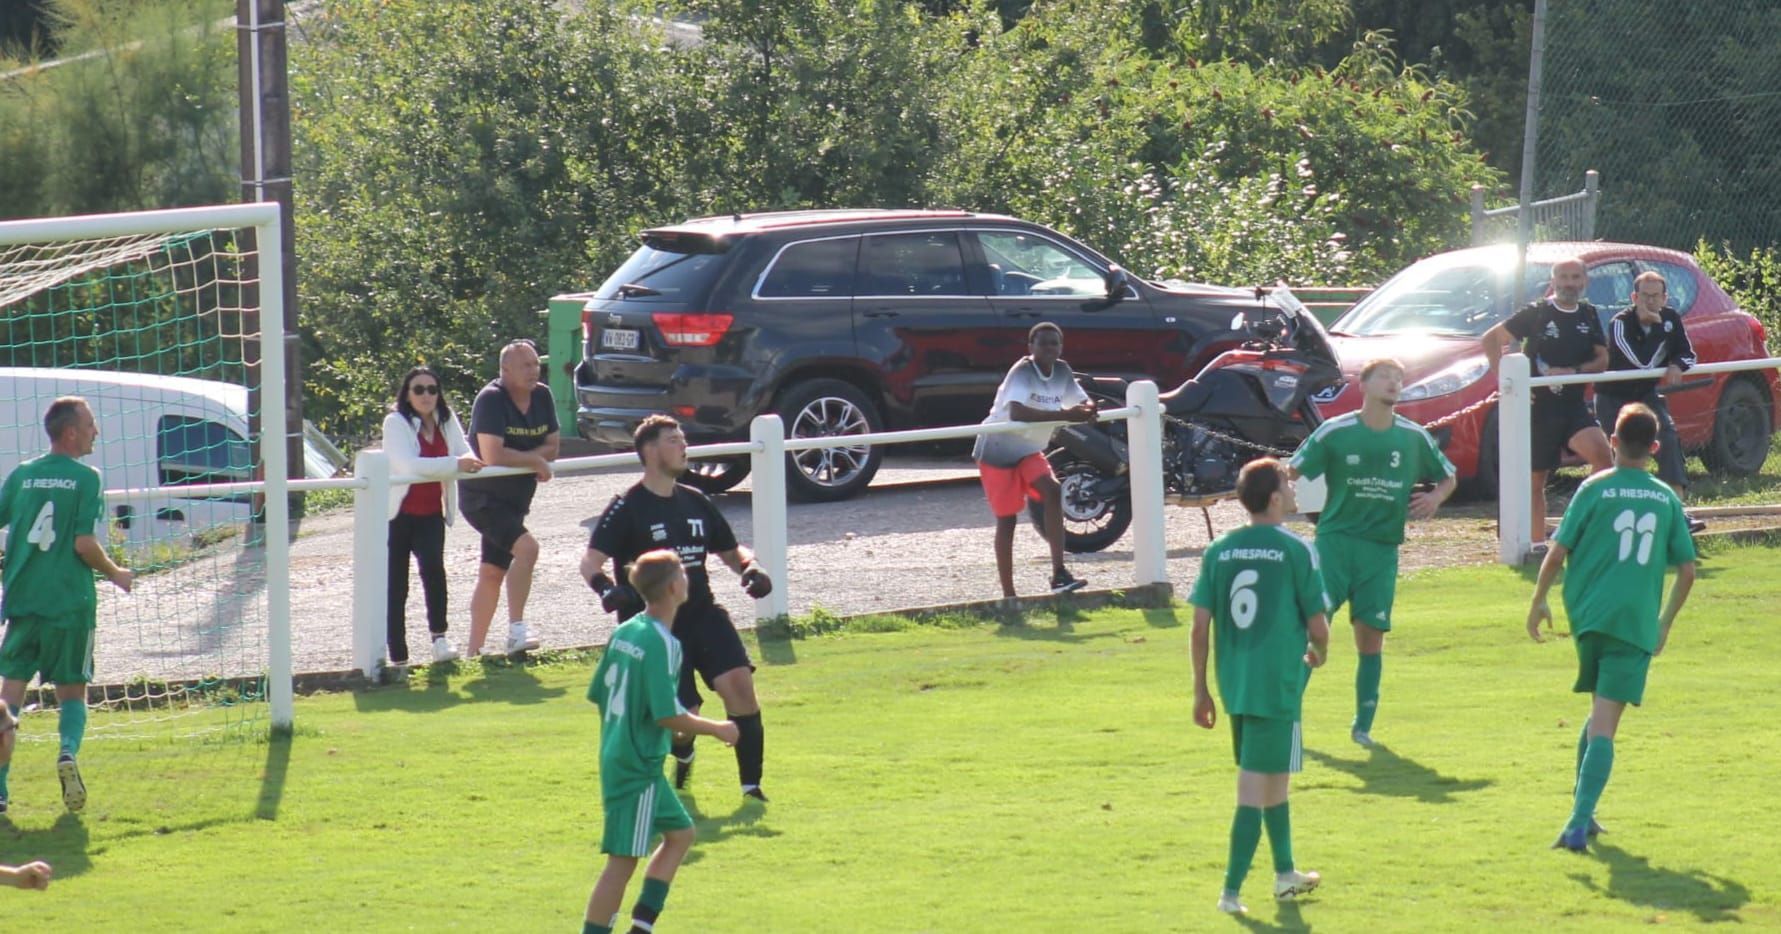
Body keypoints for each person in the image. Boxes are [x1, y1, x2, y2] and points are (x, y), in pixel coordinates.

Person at [1526, 403, 1696, 852]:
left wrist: (1538, 599)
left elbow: (1557, 551)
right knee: (1606, 723)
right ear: (1655, 448)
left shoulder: (1593, 488)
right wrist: (1663, 624)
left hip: (1589, 619)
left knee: (1598, 710)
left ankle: (1587, 812)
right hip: (1632, 622)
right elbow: (1687, 569)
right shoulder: (1665, 497)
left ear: (1613, 442)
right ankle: (1578, 824)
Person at [582, 416, 774, 800]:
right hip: (659, 626)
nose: (684, 446)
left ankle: (751, 788)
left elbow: (730, 550)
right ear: (650, 451)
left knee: (739, 686)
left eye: (683, 439)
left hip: (702, 612)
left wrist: (751, 568)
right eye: (674, 440)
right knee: (683, 717)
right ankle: (683, 754)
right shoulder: (626, 507)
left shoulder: (696, 500)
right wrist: (607, 590)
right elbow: (591, 562)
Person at [1287, 358, 1457, 747]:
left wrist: (1434, 497)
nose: (1393, 383)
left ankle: (1362, 726)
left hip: (1381, 550)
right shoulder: (1336, 431)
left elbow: (1449, 476)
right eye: (1384, 376)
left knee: (1371, 638)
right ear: (1362, 384)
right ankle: (1288, 717)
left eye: (1399, 378)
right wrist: (1268, 497)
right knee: (1314, 632)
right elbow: (1291, 471)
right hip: (1335, 543)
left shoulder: (1413, 437)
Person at [1190, 458, 1330, 916]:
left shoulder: (1219, 550)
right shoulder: (1296, 549)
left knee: (1275, 781)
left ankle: (1286, 875)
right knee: (1254, 788)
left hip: (1235, 685)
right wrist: (1321, 650)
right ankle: (1230, 893)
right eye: (1288, 485)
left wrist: (1201, 689)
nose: (1293, 492)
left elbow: (1199, 626)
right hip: (1277, 684)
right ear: (1273, 498)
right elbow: (1318, 622)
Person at [583, 549, 740, 934]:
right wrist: (717, 728)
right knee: (621, 862)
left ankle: (642, 927)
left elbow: (600, 694)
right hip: (637, 765)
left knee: (681, 834)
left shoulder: (626, 631)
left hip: (625, 753)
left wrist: (646, 729)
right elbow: (666, 714)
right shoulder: (663, 644)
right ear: (674, 587)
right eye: (684, 575)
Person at [0, 397, 134, 815]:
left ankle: (0, 790)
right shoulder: (86, 478)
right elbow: (82, 543)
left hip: (23, 599)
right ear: (71, 432)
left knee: (9, 696)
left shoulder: (23, 475)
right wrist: (116, 573)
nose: (96, 432)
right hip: (69, 602)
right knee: (72, 690)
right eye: (91, 425)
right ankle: (67, 752)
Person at [1483, 257, 1614, 544]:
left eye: (1575, 277)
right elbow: (1491, 339)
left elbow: (1602, 358)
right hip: (1537, 408)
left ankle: (1581, 528)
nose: (1569, 283)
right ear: (1553, 282)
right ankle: (1535, 544)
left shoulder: (1588, 313)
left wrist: (1575, 371)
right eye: (1563, 277)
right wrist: (1506, 381)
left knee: (1604, 458)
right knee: (1535, 481)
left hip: (1573, 406)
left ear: (1585, 281)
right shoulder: (1537, 312)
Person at [973, 321, 1096, 599]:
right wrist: (1067, 415)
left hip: (1029, 448)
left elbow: (1083, 402)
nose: (1049, 348)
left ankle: (1059, 574)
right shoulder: (1022, 371)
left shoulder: (1062, 370)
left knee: (1053, 492)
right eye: (1043, 343)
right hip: (998, 450)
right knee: (1008, 521)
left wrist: (1089, 409)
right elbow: (1017, 413)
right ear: (1031, 347)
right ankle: (1009, 596)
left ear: (1061, 347)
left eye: (1054, 343)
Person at [459, 340, 559, 657]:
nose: (533, 371)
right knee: (528, 549)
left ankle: (473, 653)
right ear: (505, 371)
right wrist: (534, 460)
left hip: (516, 500)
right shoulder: (491, 399)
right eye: (525, 365)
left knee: (492, 572)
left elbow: (553, 447)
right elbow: (491, 454)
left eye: (535, 364)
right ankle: (517, 630)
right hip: (483, 499)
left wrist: (531, 459)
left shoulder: (543, 395)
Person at [381, 366, 484, 666]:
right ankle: (398, 656)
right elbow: (408, 466)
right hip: (397, 516)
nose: (426, 395)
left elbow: (467, 455)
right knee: (396, 585)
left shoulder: (447, 419)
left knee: (434, 574)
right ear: (407, 394)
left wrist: (459, 462)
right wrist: (455, 464)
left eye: (432, 389)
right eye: (418, 389)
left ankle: (439, 639)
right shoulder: (395, 423)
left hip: (431, 514)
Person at [1598, 271, 1704, 533]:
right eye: (1644, 296)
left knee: (1667, 438)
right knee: (1622, 453)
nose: (1650, 301)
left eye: (1656, 296)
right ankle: (1616, 517)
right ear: (1634, 297)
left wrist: (1677, 364)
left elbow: (1687, 354)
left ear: (1665, 297)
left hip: (1646, 395)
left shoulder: (1671, 318)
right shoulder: (1620, 322)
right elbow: (1641, 363)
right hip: (1613, 396)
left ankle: (1677, 514)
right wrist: (1656, 328)